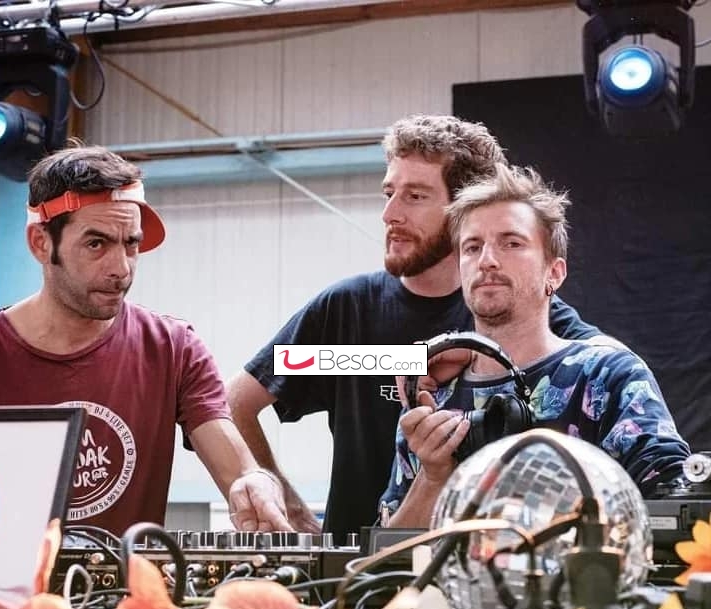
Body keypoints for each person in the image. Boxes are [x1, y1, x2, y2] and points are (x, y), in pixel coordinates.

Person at [227, 114, 604, 541]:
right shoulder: (347, 312)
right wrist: (282, 496)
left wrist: (478, 350)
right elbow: (234, 402)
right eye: (389, 193)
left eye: (415, 196)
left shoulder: (515, 312)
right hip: (360, 568)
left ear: (464, 208)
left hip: (482, 562)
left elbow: (612, 369)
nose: (390, 214)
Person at [0, 143, 292, 538]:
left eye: (131, 244)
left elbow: (236, 468)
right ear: (41, 243)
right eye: (96, 244)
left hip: (131, 579)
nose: (121, 268)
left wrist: (255, 483)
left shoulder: (174, 348)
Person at [381, 163, 691, 528]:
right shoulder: (431, 398)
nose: (487, 261)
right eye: (472, 247)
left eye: (511, 243)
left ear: (554, 273)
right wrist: (432, 478)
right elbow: (389, 552)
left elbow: (677, 505)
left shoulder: (607, 376)